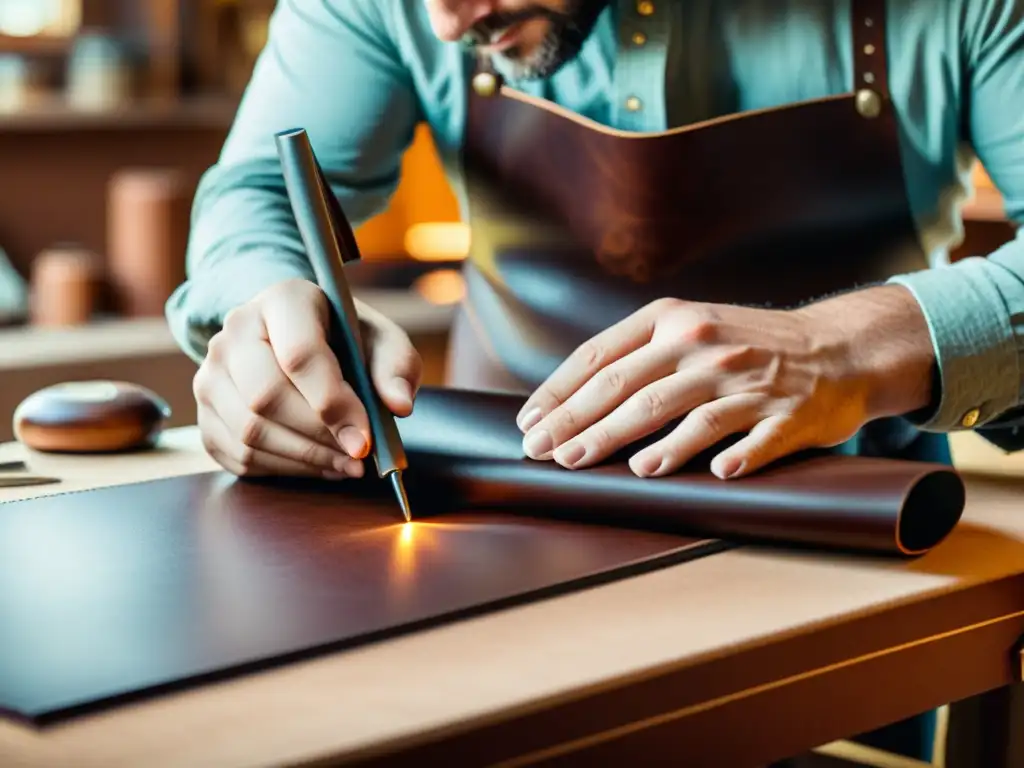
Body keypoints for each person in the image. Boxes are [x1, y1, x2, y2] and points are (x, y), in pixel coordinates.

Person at [166, 0, 1024, 761]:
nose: (444, 23)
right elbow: (254, 196)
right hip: (489, 552)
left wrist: (844, 347)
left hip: (849, 563)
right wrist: (269, 309)